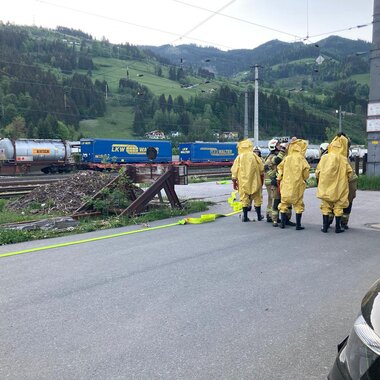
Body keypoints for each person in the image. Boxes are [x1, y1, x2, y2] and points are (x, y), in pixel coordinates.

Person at [315, 134, 353, 233]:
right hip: (339, 187)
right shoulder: (344, 159)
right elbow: (350, 174)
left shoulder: (324, 157)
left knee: (325, 206)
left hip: (325, 187)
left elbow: (317, 172)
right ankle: (337, 227)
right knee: (338, 206)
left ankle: (325, 227)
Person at [276, 138, 310, 230]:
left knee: (284, 204)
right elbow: (306, 173)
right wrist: (304, 178)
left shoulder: (286, 158)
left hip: (286, 184)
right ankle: (298, 225)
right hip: (297, 185)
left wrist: (280, 177)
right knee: (298, 205)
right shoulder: (302, 159)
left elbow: (279, 168)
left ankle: (282, 224)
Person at [231, 139, 264, 222]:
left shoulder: (239, 157)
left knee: (244, 198)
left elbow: (234, 170)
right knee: (257, 198)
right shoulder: (254, 156)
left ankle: (245, 217)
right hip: (255, 180)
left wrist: (234, 181)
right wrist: (261, 178)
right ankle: (259, 216)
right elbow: (261, 168)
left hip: (242, 182)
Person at [263, 138, 294, 227]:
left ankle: (272, 216)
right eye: (278, 145)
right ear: (274, 147)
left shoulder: (276, 155)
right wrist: (283, 149)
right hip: (272, 182)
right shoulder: (272, 157)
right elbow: (277, 160)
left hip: (277, 181)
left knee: (273, 199)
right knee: (274, 200)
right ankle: (272, 217)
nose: (280, 146)